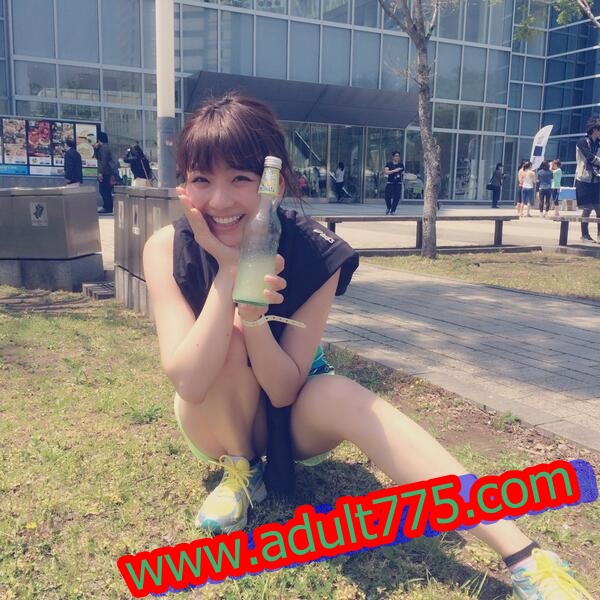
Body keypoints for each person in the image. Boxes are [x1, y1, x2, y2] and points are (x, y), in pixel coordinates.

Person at [142, 94, 592, 598]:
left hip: (294, 414)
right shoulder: (166, 247)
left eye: (241, 178)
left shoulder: (315, 251)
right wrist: (229, 276)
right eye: (202, 180)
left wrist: (254, 318)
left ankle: (525, 557)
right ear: (184, 186)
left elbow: (286, 390)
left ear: (274, 183)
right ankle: (243, 472)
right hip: (214, 419)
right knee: (222, 340)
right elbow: (189, 382)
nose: (220, 201)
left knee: (341, 393)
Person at [575, 116, 600, 242]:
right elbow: (590, 158)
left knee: (599, 208)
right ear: (595, 130)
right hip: (583, 180)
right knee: (587, 208)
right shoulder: (582, 142)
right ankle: (584, 235)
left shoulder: (598, 143)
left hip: (596, 179)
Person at [95, 131, 115, 213]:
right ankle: (108, 207)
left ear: (99, 139)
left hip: (105, 172)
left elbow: (103, 161)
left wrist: (100, 173)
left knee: (103, 190)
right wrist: (96, 149)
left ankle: (107, 207)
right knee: (106, 190)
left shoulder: (104, 148)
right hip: (108, 172)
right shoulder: (106, 147)